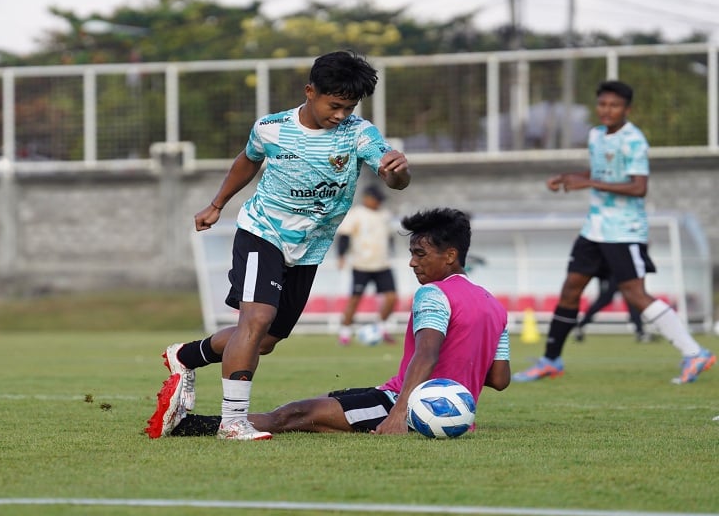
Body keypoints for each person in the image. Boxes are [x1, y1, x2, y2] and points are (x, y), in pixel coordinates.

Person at [147, 50, 411, 441]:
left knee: (265, 340)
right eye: (334, 105)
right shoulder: (271, 128)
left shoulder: (359, 133)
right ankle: (233, 422)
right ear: (310, 91)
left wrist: (398, 172)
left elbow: (393, 177)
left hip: (309, 247)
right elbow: (247, 160)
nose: (340, 115)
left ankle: (185, 355)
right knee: (256, 321)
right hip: (263, 232)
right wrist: (217, 204)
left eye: (349, 107)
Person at [146, 208, 510, 438]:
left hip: (404, 405)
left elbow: (427, 355)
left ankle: (187, 427)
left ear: (450, 255)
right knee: (326, 403)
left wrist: (399, 414)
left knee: (295, 415)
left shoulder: (434, 294)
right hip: (443, 410)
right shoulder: (495, 306)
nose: (413, 263)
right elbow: (499, 379)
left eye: (420, 254)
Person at [513, 80, 713, 385]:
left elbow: (638, 186)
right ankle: (550, 360)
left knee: (636, 294)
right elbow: (600, 174)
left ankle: (694, 352)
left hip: (624, 230)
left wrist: (589, 183)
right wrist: (570, 177)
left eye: (615, 105)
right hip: (595, 228)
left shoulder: (634, 140)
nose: (607, 110)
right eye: (603, 104)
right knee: (570, 290)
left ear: (627, 109)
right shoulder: (596, 135)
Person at [335, 184, 398, 345]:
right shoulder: (356, 214)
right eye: (376, 199)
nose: (378, 203)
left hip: (382, 264)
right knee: (355, 299)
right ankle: (345, 333)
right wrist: (341, 256)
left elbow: (389, 237)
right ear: (367, 198)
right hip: (361, 264)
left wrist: (391, 252)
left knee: (391, 298)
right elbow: (345, 236)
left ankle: (381, 327)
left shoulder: (385, 215)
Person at [573, 275, 653, 343]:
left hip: (623, 275)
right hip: (609, 275)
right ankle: (580, 325)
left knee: (632, 302)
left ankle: (640, 332)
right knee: (603, 301)